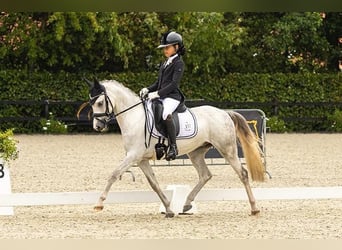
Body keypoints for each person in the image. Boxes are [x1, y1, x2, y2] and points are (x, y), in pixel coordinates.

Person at [139, 31, 186, 160]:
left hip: (172, 97)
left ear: (176, 47)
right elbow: (158, 83)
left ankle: (173, 147)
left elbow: (173, 84)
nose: (165, 50)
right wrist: (148, 89)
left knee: (166, 114)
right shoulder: (165, 63)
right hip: (163, 96)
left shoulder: (179, 63)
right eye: (164, 48)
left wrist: (157, 94)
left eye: (167, 47)